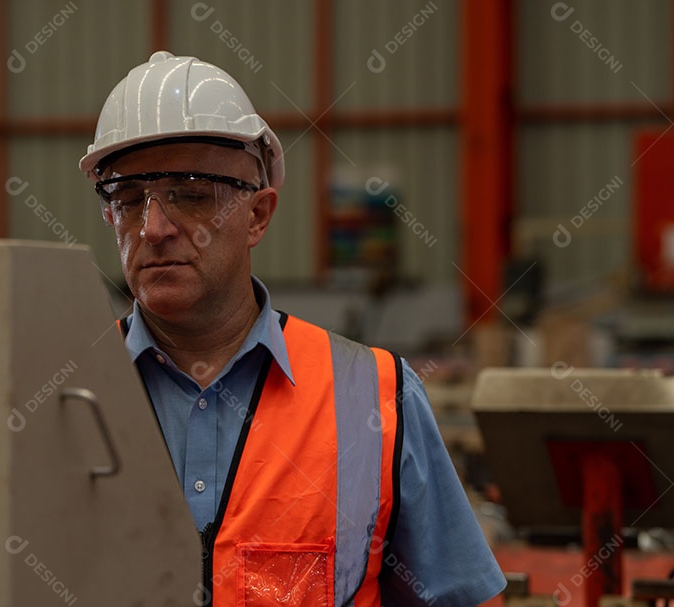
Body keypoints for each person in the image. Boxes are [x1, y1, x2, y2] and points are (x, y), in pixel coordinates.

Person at [79, 51, 506, 607]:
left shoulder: (376, 397)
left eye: (190, 193)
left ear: (257, 215)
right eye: (129, 199)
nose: (154, 227)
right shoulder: (66, 394)